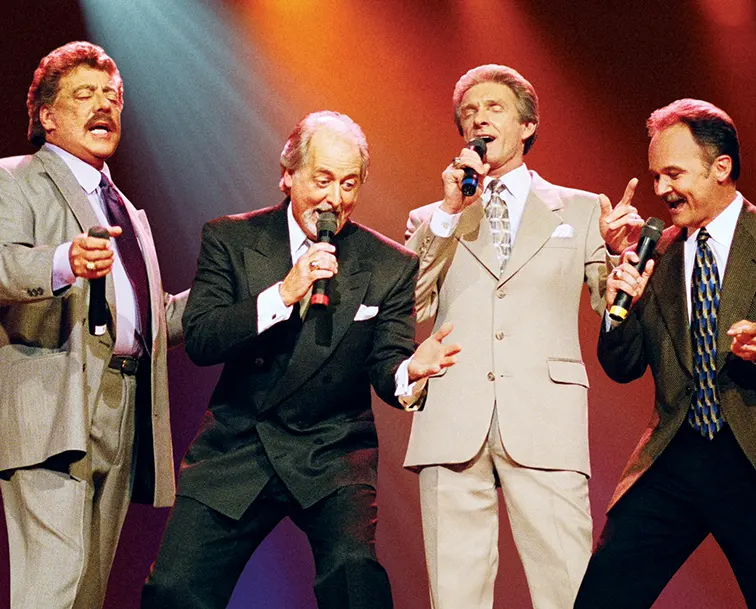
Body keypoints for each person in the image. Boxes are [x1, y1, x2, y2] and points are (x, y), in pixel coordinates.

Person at [142, 110, 461, 609]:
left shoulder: (388, 264)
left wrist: (410, 372)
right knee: (174, 589)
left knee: (354, 576)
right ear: (288, 175)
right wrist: (283, 294)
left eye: (349, 184)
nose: (335, 199)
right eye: (323, 180)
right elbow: (202, 339)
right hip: (239, 442)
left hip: (331, 448)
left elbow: (388, 363)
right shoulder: (231, 239)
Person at [402, 64, 641, 609]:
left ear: (528, 125)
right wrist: (449, 213)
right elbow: (409, 304)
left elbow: (611, 307)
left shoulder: (583, 210)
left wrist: (618, 254)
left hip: (545, 416)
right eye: (468, 112)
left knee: (568, 587)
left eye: (494, 107)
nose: (478, 119)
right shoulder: (433, 217)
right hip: (453, 415)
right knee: (456, 594)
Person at [574, 99, 756, 608]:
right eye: (656, 176)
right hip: (676, 453)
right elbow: (622, 366)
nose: (660, 189)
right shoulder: (656, 252)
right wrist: (618, 304)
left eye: (673, 174)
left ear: (721, 167)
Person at [0, 41, 188, 609]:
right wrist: (64, 260)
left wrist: (263, 292)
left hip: (124, 402)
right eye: (85, 95)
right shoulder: (15, 178)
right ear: (47, 116)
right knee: (53, 584)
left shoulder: (125, 208)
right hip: (53, 402)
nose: (104, 105)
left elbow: (153, 317)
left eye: (112, 95)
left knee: (87, 592)